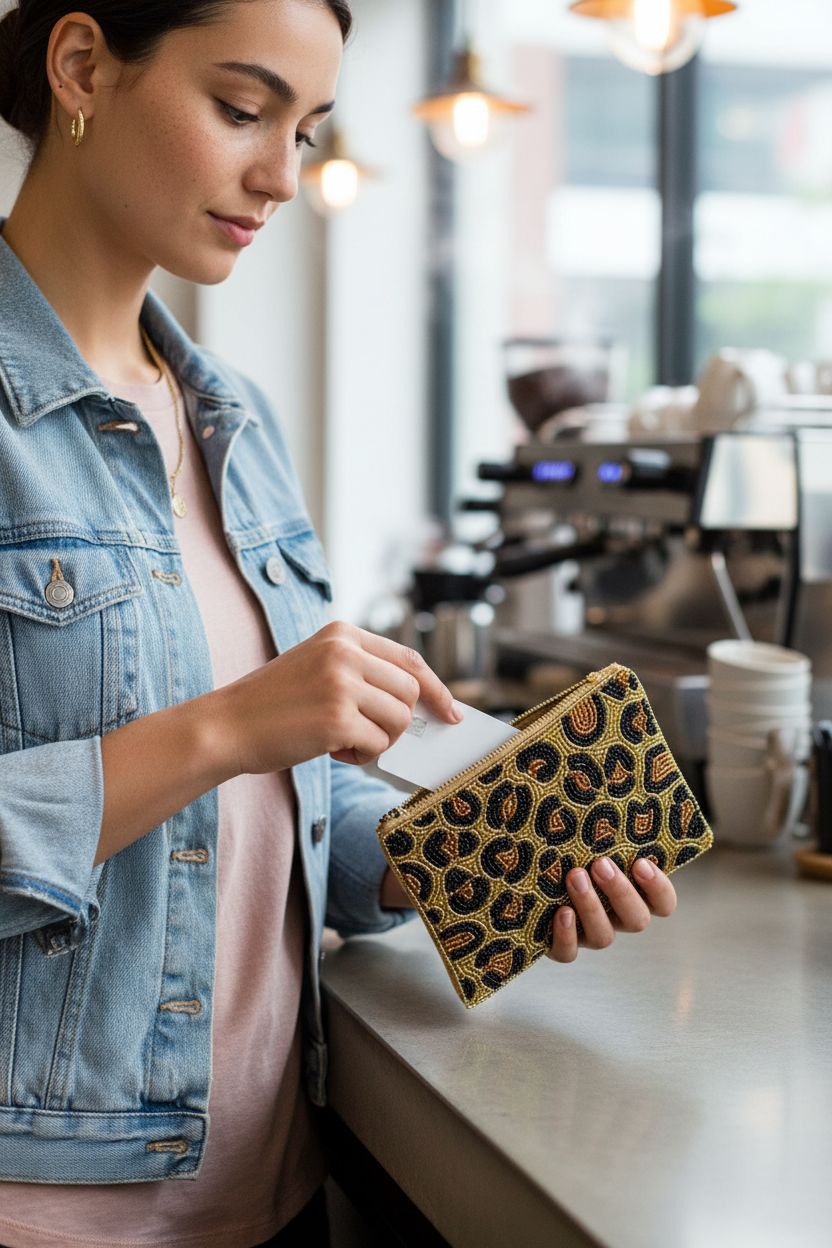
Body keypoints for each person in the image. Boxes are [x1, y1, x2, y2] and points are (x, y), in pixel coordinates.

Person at [0, 1, 678, 1245]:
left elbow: (278, 804)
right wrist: (222, 729)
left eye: (307, 130)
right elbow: (230, 744)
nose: (282, 174)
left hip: (270, 1189)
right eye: (242, 109)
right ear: (83, 65)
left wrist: (463, 856)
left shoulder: (232, 420)